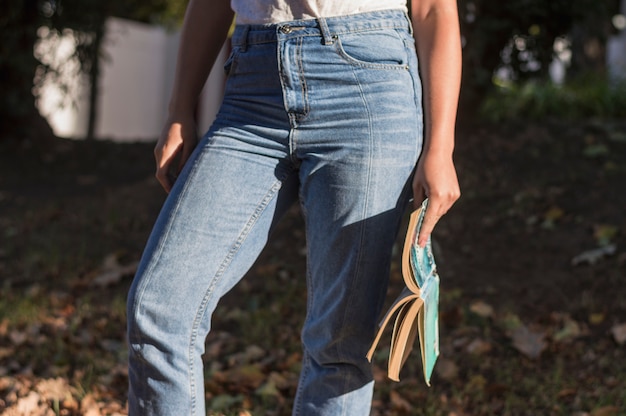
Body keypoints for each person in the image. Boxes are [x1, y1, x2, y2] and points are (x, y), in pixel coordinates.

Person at [126, 0, 461, 414]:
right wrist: (180, 108)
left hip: (368, 84)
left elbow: (433, 9)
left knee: (340, 344)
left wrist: (441, 148)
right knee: (158, 309)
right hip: (252, 92)